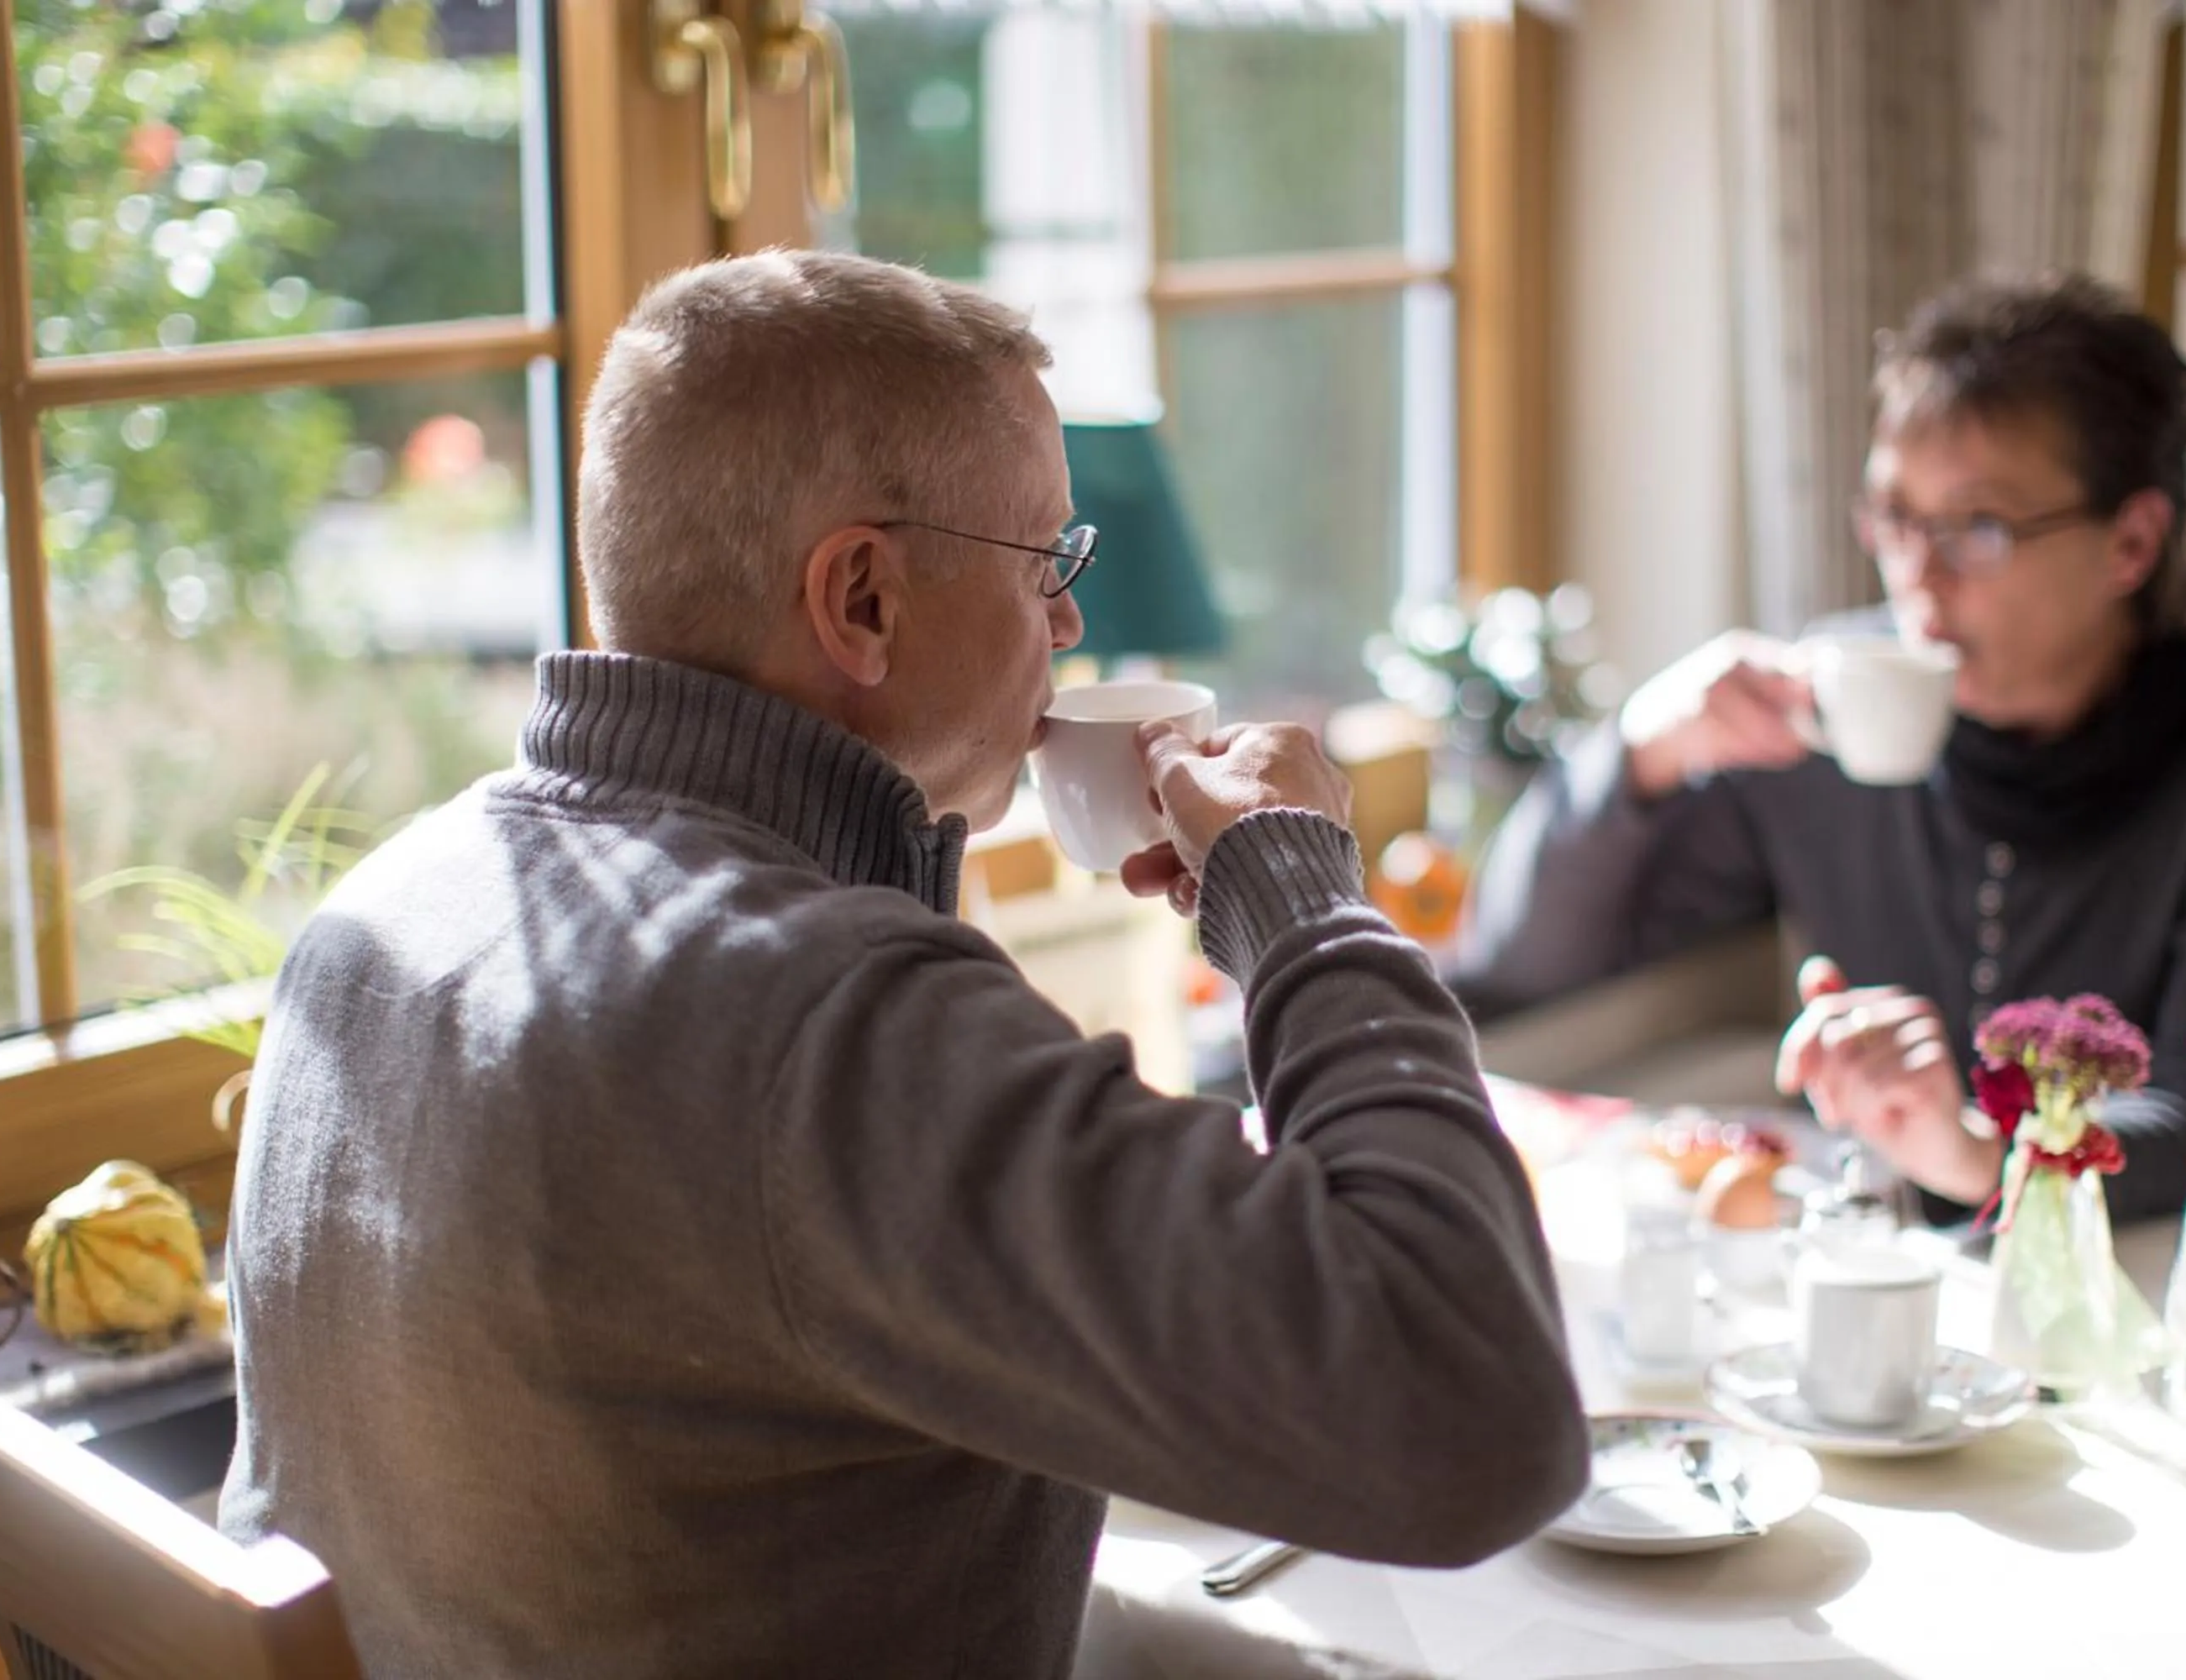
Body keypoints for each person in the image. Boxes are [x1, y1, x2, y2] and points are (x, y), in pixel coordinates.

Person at [218, 250, 1588, 1680]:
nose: (1069, 625)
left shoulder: (375, 918)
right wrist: (1296, 888)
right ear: (862, 595)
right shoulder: (812, 1023)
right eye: (1048, 562)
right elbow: (1470, 1415)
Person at [1456, 273, 2186, 1225]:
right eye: (1895, 517)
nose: (1917, 578)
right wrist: (1642, 745)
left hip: (2120, 1297)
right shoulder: (1831, 701)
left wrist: (1969, 1150)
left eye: (1979, 528)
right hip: (1872, 1275)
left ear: (2131, 541)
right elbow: (1524, 960)